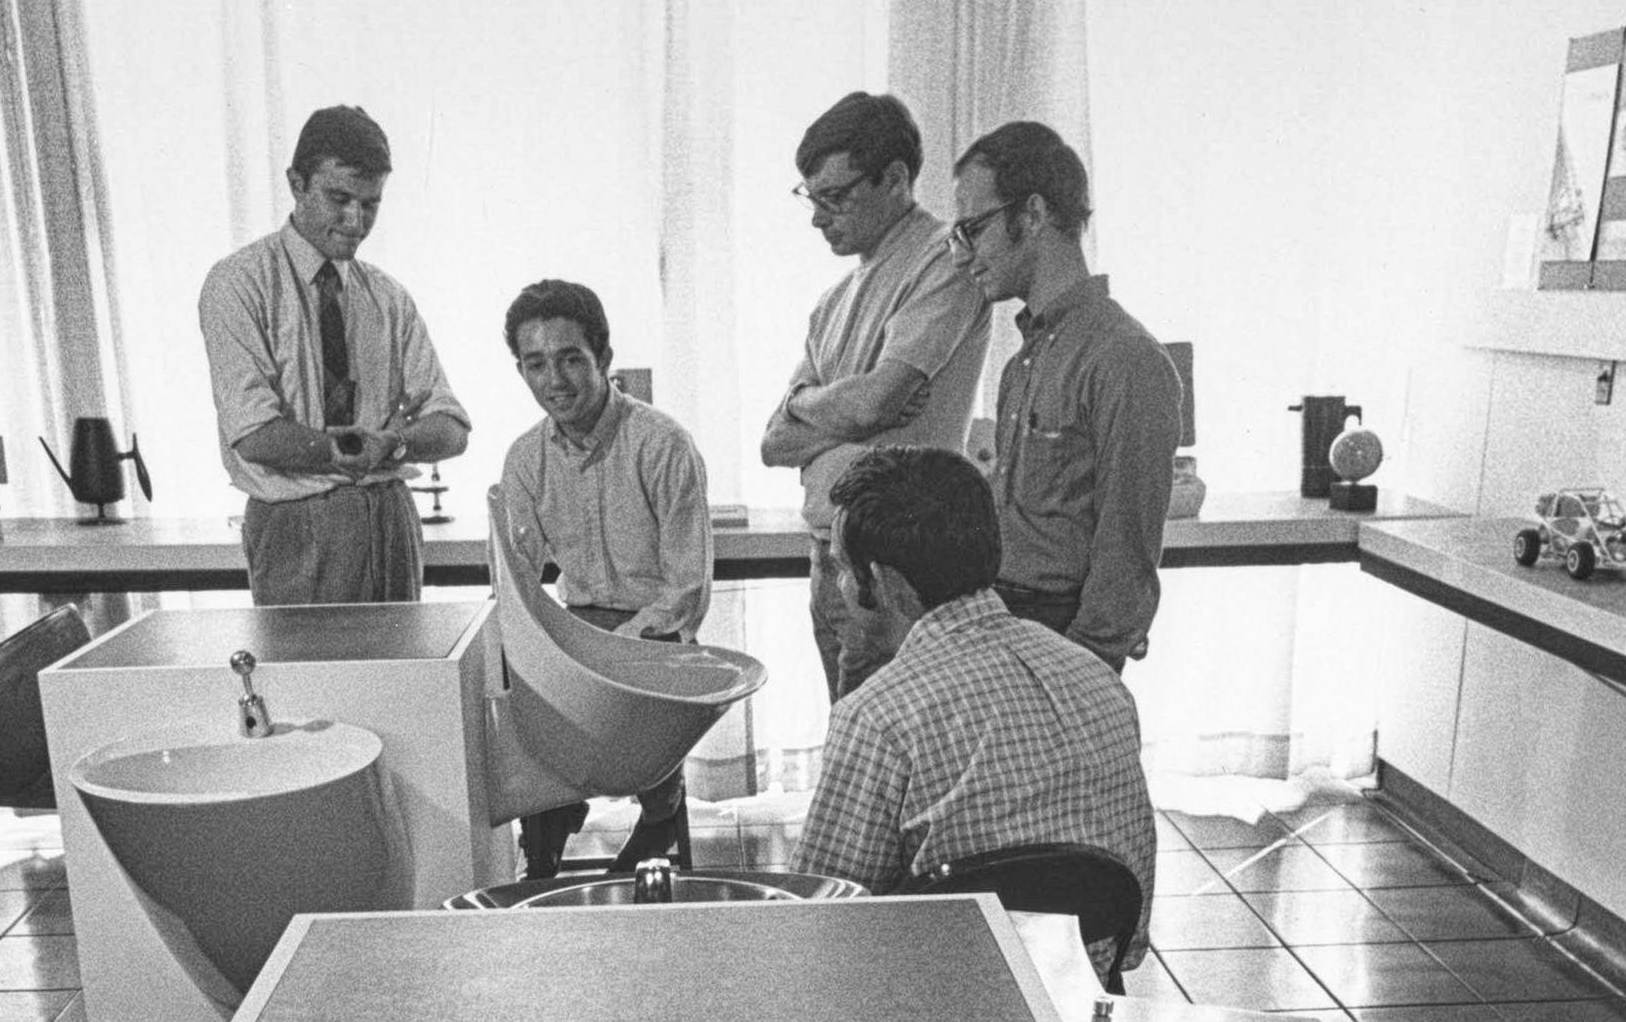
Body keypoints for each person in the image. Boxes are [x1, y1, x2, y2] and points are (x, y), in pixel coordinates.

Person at [793, 444, 1156, 971]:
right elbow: (1130, 927)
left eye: (842, 570)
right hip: (1085, 989)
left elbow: (822, 919)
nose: (840, 589)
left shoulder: (877, 716)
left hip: (947, 994)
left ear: (885, 583)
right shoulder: (1097, 677)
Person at [759, 92, 991, 701]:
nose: (818, 217)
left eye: (834, 197)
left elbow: (878, 403)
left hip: (894, 569)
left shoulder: (945, 260)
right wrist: (822, 407)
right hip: (828, 552)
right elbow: (773, 443)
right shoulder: (831, 301)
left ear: (895, 179)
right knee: (851, 737)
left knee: (892, 750)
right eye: (812, 198)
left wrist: (812, 402)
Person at [198, 105, 470, 605]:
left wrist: (393, 443)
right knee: (309, 683)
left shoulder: (387, 297)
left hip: (390, 519)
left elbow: (451, 427)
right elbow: (255, 434)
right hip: (295, 524)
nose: (355, 221)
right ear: (296, 183)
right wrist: (345, 451)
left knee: (400, 680)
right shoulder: (238, 284)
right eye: (339, 198)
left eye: (370, 203)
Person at [946, 120, 1180, 670]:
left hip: (1064, 640)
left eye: (973, 230)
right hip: (1005, 622)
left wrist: (1083, 673)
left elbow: (1127, 552)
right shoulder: (1018, 365)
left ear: (1032, 215)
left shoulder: (1127, 359)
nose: (962, 256)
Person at [498, 279, 711, 878]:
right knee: (519, 692)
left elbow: (686, 590)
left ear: (604, 359)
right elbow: (520, 580)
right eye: (535, 364)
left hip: (657, 640)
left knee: (615, 698)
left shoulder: (663, 444)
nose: (555, 381)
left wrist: (609, 652)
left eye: (570, 358)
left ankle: (657, 817)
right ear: (521, 371)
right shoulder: (524, 459)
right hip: (580, 634)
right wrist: (549, 651)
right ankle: (542, 850)